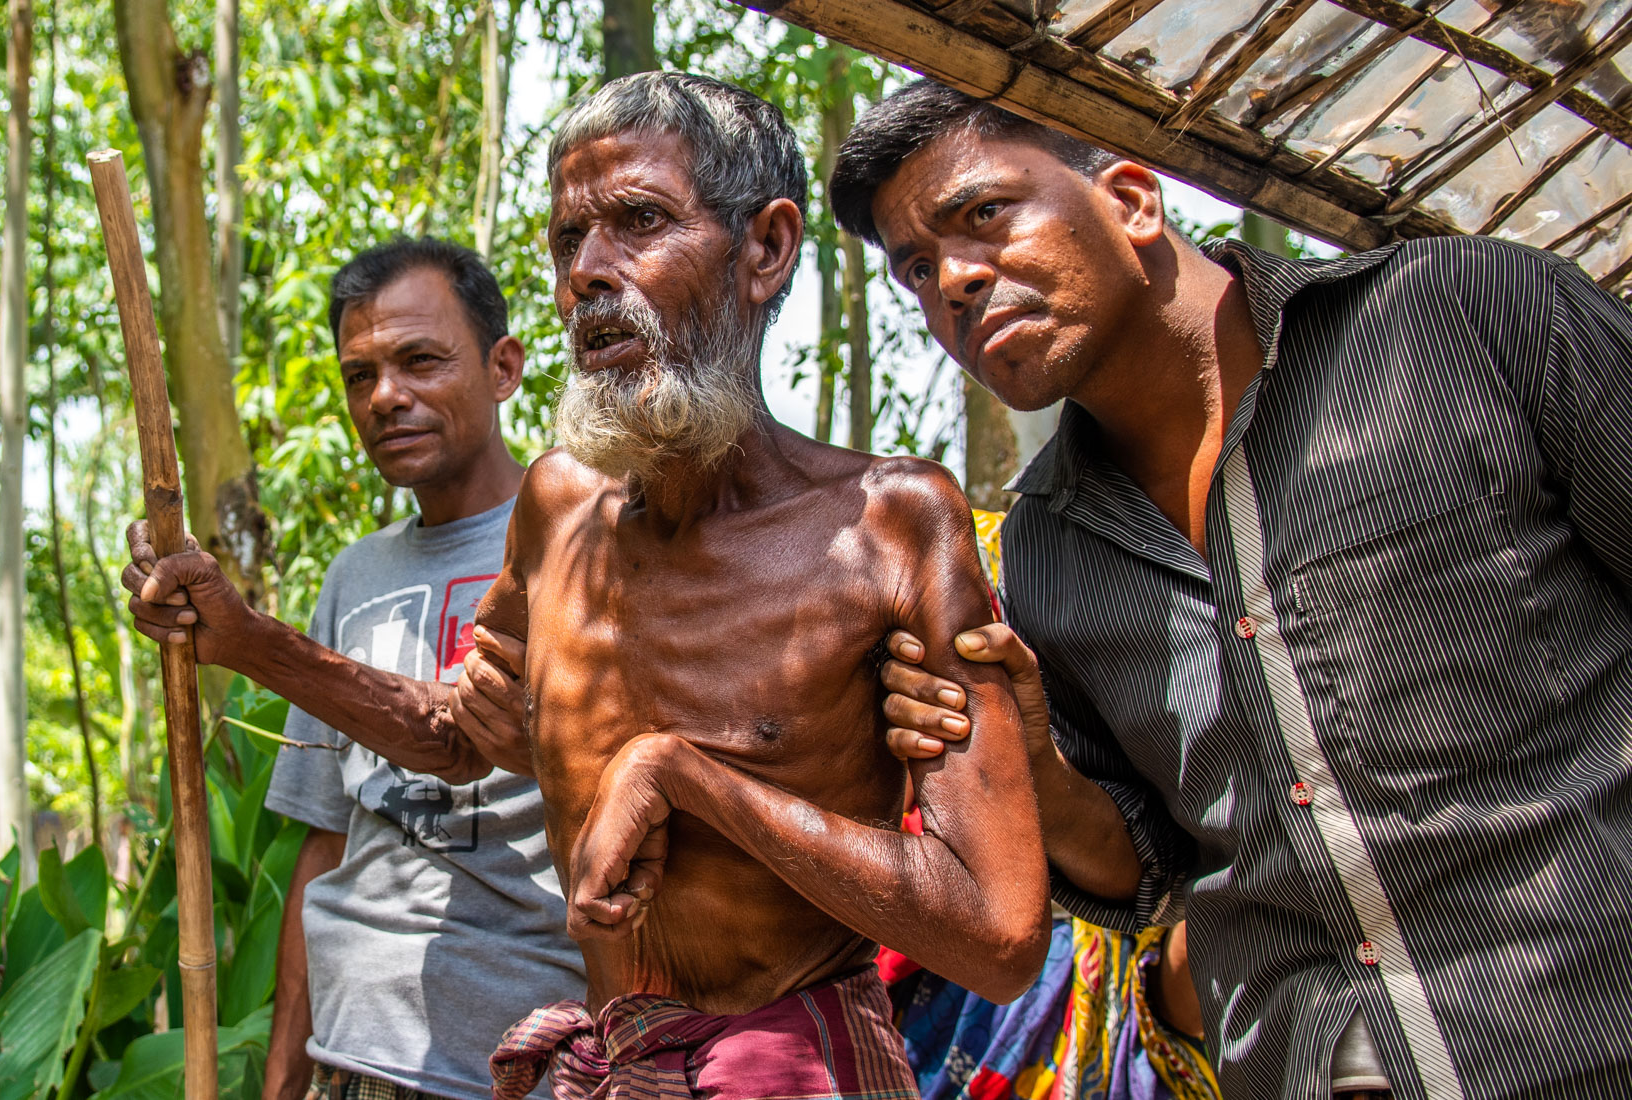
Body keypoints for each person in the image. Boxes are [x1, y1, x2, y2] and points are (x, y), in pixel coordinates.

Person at [126, 72, 1052, 1100]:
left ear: (767, 248)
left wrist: (686, 774)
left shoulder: (894, 522)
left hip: (801, 1064)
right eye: (570, 241)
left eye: (640, 222)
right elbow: (458, 737)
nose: (588, 276)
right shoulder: (558, 504)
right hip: (605, 1066)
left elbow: (999, 936)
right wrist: (243, 635)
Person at [830, 80, 1632, 1100]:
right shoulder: (1043, 552)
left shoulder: (1468, 319)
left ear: (1129, 199)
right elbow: (1149, 872)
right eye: (914, 268)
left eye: (983, 215)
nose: (951, 278)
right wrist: (1033, 758)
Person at [126, 238, 586, 1100]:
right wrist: (285, 1075)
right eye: (358, 375)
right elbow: (328, 841)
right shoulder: (354, 576)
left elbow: (453, 736)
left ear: (504, 367)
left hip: (527, 1058)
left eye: (420, 360)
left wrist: (250, 637)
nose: (385, 398)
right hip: (355, 1058)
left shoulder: (585, 543)